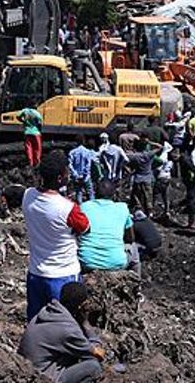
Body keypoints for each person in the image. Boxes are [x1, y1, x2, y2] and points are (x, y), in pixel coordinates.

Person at [23, 151, 91, 320]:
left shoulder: (28, 196)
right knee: (66, 322)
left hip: (36, 273)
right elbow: (86, 228)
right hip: (63, 274)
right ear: (60, 178)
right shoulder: (68, 208)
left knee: (35, 322)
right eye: (67, 171)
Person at [18, 281, 105, 383]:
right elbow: (98, 354)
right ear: (80, 307)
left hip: (28, 371)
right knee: (94, 366)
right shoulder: (68, 329)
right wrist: (86, 325)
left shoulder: (48, 311)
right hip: (43, 378)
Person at [77, 179, 133, 272]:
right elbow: (130, 238)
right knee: (133, 249)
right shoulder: (122, 208)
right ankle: (137, 279)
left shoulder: (84, 207)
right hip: (116, 262)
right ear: (114, 194)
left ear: (95, 193)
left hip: (86, 261)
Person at [126, 137, 160, 215]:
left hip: (138, 178)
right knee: (148, 197)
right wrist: (150, 142)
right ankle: (149, 213)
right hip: (147, 178)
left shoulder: (134, 156)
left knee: (137, 196)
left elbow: (125, 158)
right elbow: (160, 147)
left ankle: (139, 210)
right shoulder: (149, 154)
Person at [68, 136, 98, 203]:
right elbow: (88, 165)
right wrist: (84, 174)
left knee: (79, 192)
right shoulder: (87, 152)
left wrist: (75, 174)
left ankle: (81, 208)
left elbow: (70, 165)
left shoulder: (72, 152)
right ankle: (92, 207)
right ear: (83, 142)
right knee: (90, 193)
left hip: (76, 177)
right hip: (86, 177)